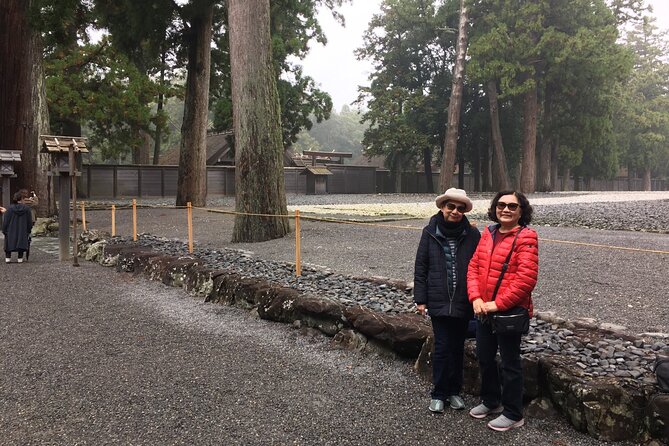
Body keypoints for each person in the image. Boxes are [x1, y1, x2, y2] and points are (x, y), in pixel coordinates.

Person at [467, 190, 538, 431]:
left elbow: (526, 279)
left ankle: (514, 413)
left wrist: (497, 304)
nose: (505, 209)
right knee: (485, 357)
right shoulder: (488, 233)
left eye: (512, 206)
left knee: (510, 363)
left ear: (521, 211)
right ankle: (491, 401)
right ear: (495, 208)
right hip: (484, 310)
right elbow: (474, 267)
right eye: (501, 205)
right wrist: (475, 297)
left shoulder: (526, 237)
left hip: (507, 313)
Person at [414, 187, 481, 414]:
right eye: (450, 206)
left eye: (459, 208)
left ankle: (454, 391)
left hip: (463, 300)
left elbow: (479, 267)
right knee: (442, 346)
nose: (454, 211)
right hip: (439, 299)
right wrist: (421, 299)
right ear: (442, 207)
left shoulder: (473, 234)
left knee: (457, 347)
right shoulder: (429, 231)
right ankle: (439, 393)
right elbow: (421, 266)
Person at [3, 189, 34, 263]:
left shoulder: (10, 209)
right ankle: (20, 258)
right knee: (21, 242)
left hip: (11, 230)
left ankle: (8, 258)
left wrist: (4, 230)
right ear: (22, 199)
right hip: (22, 230)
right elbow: (29, 221)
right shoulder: (27, 209)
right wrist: (29, 229)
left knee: (9, 243)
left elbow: (6, 221)